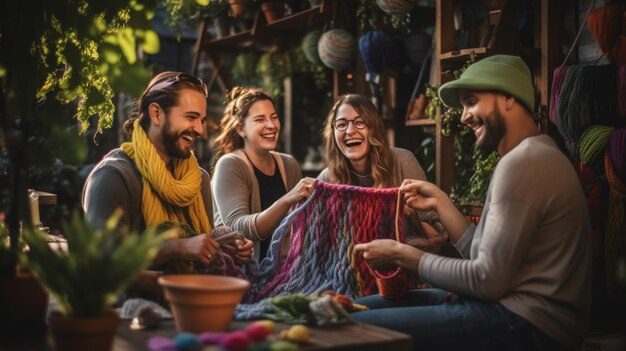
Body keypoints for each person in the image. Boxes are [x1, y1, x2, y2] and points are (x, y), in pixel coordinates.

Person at [351, 55, 592, 350]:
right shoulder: (534, 154)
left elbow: (486, 280)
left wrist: (403, 255)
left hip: (530, 325)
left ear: (508, 97)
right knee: (356, 309)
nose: (464, 116)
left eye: (471, 101)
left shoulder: (524, 163)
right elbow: (485, 260)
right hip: (517, 311)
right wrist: (442, 204)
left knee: (351, 328)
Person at [82, 71, 254, 299]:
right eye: (191, 117)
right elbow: (101, 267)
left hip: (194, 311)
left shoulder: (198, 180)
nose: (200, 130)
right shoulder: (113, 177)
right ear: (156, 113)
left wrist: (219, 247)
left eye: (201, 120)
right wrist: (177, 248)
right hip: (132, 323)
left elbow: (198, 248)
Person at [318, 93, 447, 248]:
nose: (350, 130)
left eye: (360, 122)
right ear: (333, 132)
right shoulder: (326, 178)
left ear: (374, 128)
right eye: (341, 124)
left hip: (409, 268)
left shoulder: (402, 161)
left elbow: (437, 237)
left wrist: (408, 213)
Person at [211, 87, 315, 260]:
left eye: (274, 117)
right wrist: (288, 198)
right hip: (244, 277)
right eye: (260, 119)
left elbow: (301, 224)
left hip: (284, 276)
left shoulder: (289, 165)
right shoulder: (230, 164)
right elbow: (238, 228)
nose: (271, 125)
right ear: (240, 129)